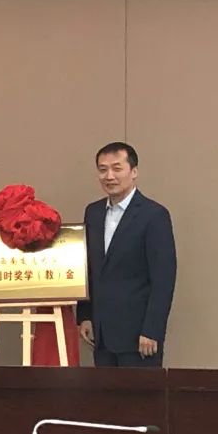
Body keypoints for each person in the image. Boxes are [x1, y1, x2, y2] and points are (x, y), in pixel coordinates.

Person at [76, 142, 177, 367]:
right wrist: (85, 316)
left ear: (134, 171)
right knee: (105, 391)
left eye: (117, 168)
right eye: (103, 169)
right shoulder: (93, 213)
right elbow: (89, 268)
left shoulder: (154, 215)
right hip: (101, 334)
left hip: (139, 336)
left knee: (140, 391)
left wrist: (152, 330)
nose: (109, 176)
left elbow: (163, 279)